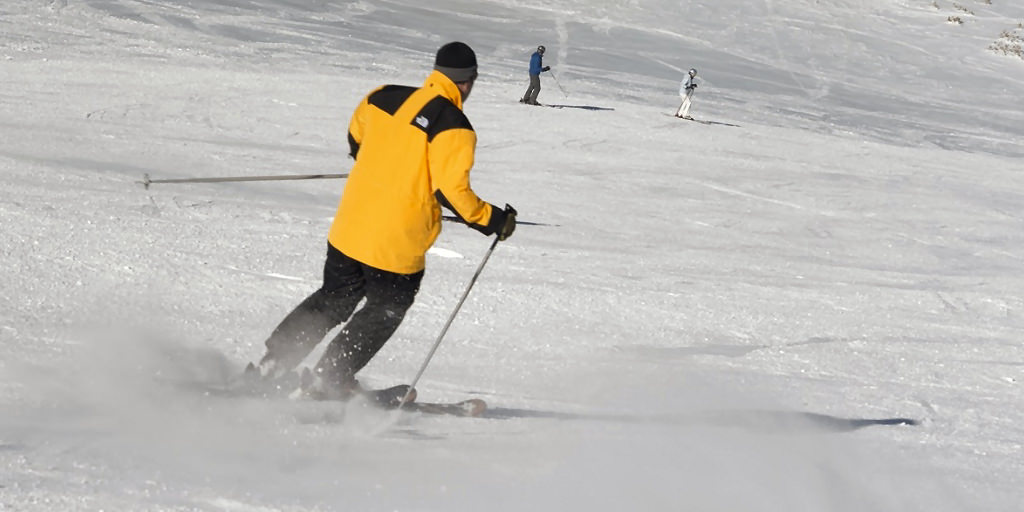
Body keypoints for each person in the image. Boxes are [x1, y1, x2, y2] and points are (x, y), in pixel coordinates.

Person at [251, 41, 517, 400]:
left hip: (350, 227)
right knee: (385, 309)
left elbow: (356, 137)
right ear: (468, 82)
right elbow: (451, 193)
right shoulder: (454, 126)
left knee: (333, 298)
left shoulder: (382, 96)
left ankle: (274, 362)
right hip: (395, 246)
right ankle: (331, 379)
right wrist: (494, 220)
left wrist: (385, 166)